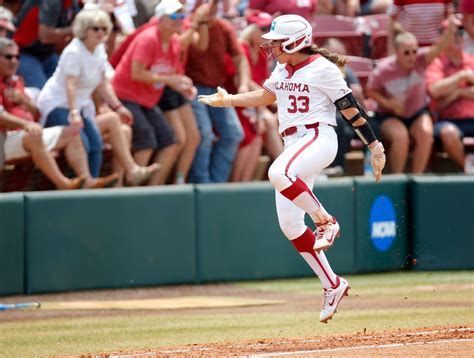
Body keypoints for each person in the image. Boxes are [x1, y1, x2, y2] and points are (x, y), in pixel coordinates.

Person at [198, 14, 386, 323]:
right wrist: (228, 101)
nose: (271, 49)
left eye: (276, 43)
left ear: (295, 42)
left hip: (318, 136)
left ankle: (326, 221)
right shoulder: (283, 68)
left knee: (277, 174)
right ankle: (333, 284)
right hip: (294, 144)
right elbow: (265, 96)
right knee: (291, 226)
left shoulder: (323, 69)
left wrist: (374, 146)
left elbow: (351, 108)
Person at [37, 7, 159, 186]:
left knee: (95, 143)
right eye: (96, 28)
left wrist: (118, 107)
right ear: (84, 29)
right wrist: (74, 113)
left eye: (104, 28)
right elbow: (70, 85)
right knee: (83, 141)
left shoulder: (99, 49)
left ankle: (94, 185)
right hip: (59, 105)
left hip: (80, 106)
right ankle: (84, 185)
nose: (101, 32)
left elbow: (103, 84)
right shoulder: (74, 51)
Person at [0, 37, 118, 190]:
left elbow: (37, 114)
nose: (14, 61)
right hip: (5, 139)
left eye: (17, 57)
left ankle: (88, 181)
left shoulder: (16, 81)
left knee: (72, 132)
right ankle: (64, 184)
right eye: (8, 57)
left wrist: (23, 101)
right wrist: (26, 124)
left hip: (25, 136)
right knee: (34, 136)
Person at [112, 0, 195, 185]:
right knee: (146, 138)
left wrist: (182, 85)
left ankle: (152, 188)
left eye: (182, 16)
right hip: (124, 96)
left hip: (146, 100)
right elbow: (137, 73)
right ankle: (129, 188)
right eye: (174, 16)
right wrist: (170, 80)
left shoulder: (173, 41)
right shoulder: (148, 38)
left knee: (171, 140)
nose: (179, 20)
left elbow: (170, 73)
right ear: (161, 19)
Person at [366, 25, 453, 174]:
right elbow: (370, 90)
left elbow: (439, 47)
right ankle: (397, 181)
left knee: (426, 133)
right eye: (406, 52)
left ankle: (416, 180)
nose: (412, 56)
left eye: (414, 51)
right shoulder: (383, 69)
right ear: (397, 53)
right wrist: (388, 103)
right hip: (389, 115)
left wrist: (450, 28)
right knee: (401, 137)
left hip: (417, 112)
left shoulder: (421, 60)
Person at [185, 0, 247, 183]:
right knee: (203, 135)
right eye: (208, 3)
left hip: (216, 89)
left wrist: (243, 83)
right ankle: (201, 183)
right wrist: (201, 23)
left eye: (215, 4)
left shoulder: (223, 27)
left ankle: (215, 184)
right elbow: (199, 46)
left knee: (234, 134)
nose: (212, 8)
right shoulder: (187, 25)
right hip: (192, 88)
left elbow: (239, 58)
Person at [426, 19, 474, 173]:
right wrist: (462, 77)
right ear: (444, 37)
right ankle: (468, 169)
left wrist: (456, 92)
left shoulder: (471, 60)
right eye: (454, 33)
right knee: (449, 133)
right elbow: (435, 90)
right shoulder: (436, 63)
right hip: (448, 120)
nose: (458, 36)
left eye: (461, 33)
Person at [13, 0, 81, 89]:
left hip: (47, 53)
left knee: (69, 85)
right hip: (22, 51)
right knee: (40, 91)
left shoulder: (73, 3)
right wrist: (74, 30)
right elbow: (45, 37)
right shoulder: (51, 2)